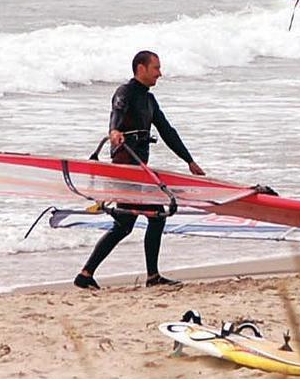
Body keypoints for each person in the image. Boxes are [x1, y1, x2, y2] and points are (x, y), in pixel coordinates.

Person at [73, 50, 205, 290]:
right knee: (156, 215)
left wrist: (189, 161)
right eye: (156, 68)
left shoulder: (149, 100)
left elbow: (168, 132)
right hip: (125, 167)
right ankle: (151, 277)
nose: (160, 73)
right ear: (141, 68)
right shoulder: (124, 92)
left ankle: (86, 274)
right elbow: (117, 113)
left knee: (124, 225)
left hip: (137, 170)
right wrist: (114, 131)